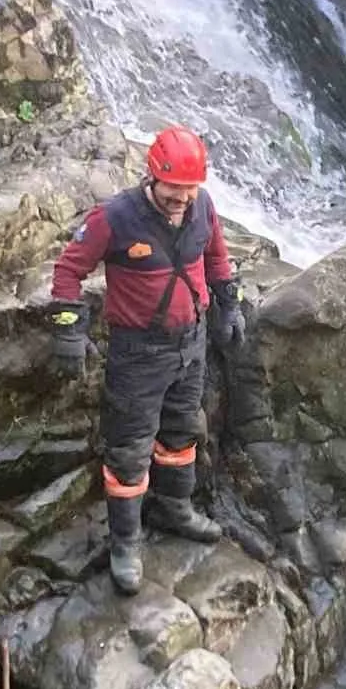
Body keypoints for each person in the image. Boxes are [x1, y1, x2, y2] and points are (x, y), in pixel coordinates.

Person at [44, 125, 245, 595]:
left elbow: (216, 258)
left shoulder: (204, 208)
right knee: (130, 448)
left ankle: (174, 509)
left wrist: (228, 304)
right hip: (138, 353)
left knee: (182, 431)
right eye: (173, 189)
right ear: (152, 176)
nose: (181, 199)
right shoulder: (114, 218)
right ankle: (125, 544)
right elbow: (68, 270)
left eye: (190, 189)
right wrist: (68, 330)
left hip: (190, 345)